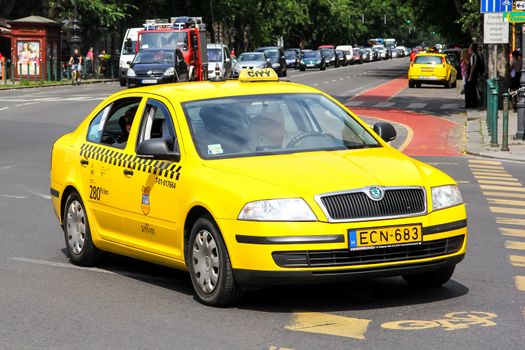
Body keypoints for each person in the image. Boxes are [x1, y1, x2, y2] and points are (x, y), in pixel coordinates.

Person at [465, 43, 480, 108]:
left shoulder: (474, 56)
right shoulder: (473, 56)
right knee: (472, 90)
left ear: (472, 49)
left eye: (470, 48)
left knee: (470, 90)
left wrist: (470, 76)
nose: (468, 49)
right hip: (472, 76)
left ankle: (471, 104)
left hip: (472, 76)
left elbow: (473, 66)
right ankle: (472, 103)